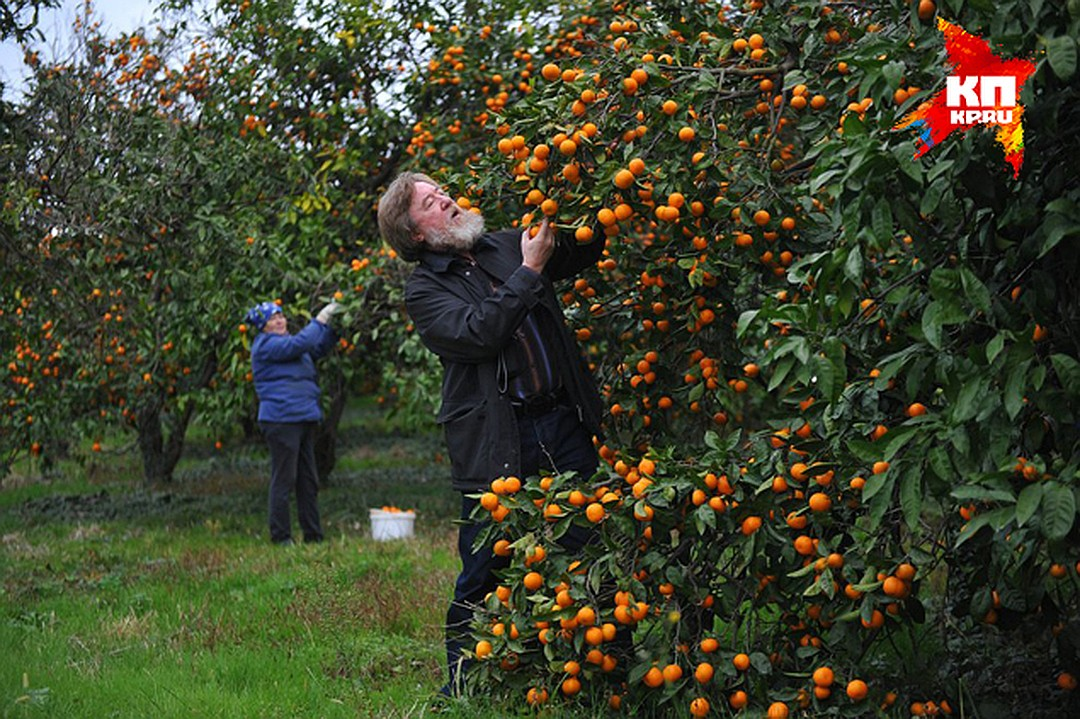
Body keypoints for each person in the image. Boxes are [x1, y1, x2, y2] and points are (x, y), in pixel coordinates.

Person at [376, 172, 605, 695]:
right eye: (433, 203)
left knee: (591, 542)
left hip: (561, 422)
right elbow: (479, 332)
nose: (449, 201)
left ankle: (604, 666)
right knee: (484, 566)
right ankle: (460, 687)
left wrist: (584, 186)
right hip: (498, 441)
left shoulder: (502, 244)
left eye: (444, 192)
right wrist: (530, 270)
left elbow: (578, 249)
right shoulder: (425, 291)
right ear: (416, 234)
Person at [246, 300, 339, 545]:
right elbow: (302, 343)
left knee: (308, 480)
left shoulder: (289, 345)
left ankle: (313, 535)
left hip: (303, 416)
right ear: (263, 327)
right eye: (272, 319)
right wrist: (320, 320)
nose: (279, 321)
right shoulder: (267, 345)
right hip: (281, 419)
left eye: (280, 316)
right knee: (284, 479)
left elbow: (315, 349)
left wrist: (333, 329)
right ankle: (281, 537)